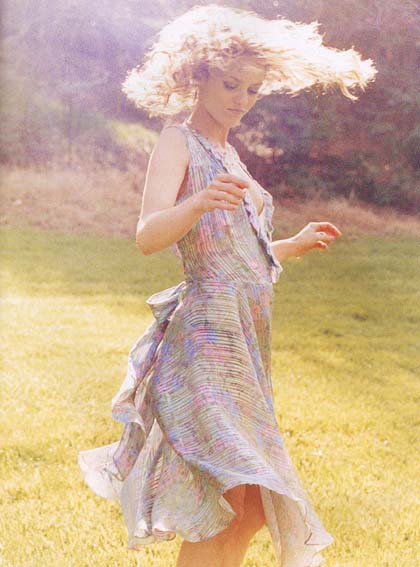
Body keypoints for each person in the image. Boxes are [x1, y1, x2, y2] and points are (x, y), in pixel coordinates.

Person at [77, 5, 377, 567]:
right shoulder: (179, 141)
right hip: (207, 339)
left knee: (252, 504)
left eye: (253, 89)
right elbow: (147, 235)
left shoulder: (230, 153)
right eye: (231, 84)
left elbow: (237, 255)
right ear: (200, 76)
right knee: (231, 493)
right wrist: (196, 201)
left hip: (245, 340)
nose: (242, 99)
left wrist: (290, 245)